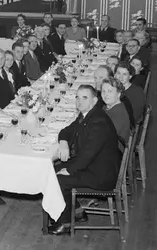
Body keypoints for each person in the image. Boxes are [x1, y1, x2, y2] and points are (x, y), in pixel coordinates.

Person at [49, 85, 121, 235]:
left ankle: (65, 223)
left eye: (84, 98)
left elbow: (88, 154)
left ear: (94, 101)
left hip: (101, 174)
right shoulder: (87, 115)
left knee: (59, 179)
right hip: (93, 165)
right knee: (50, 171)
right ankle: (77, 212)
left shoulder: (99, 122)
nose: (79, 101)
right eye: (77, 97)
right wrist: (63, 142)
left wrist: (69, 170)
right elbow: (67, 130)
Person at [101, 77, 132, 150]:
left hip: (113, 150)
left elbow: (106, 137)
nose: (106, 94)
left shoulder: (119, 113)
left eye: (110, 91)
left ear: (118, 94)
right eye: (103, 91)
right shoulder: (105, 107)